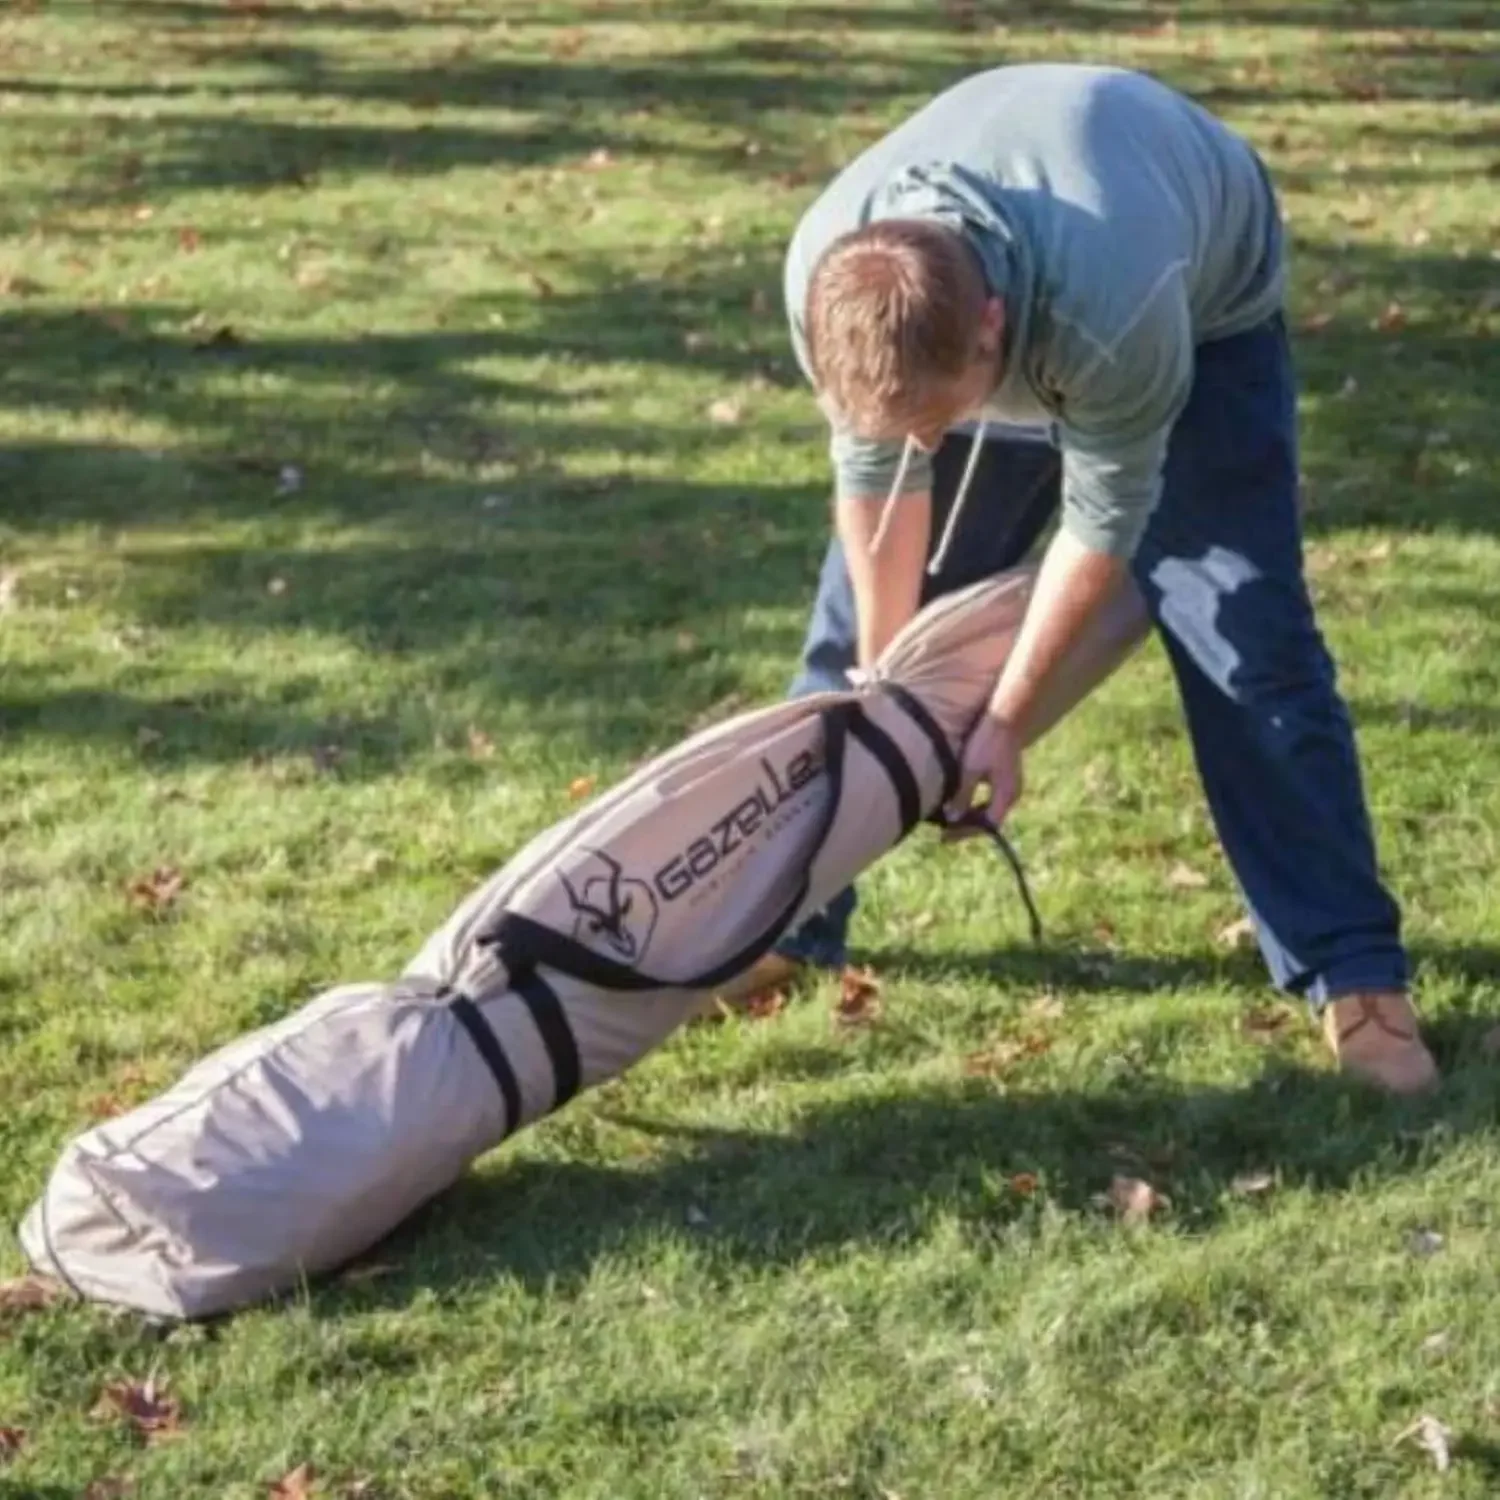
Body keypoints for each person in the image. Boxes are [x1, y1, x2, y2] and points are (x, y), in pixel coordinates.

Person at [718, 62, 1437, 1095]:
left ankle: (1356, 977)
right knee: (846, 659)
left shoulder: (1117, 304)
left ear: (991, 331)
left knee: (1247, 645)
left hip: (1200, 302)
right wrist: (887, 691)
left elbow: (1103, 528)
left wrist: (1005, 721)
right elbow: (878, 489)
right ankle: (789, 919)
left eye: (940, 418)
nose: (928, 443)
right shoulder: (829, 279)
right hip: (1007, 300)